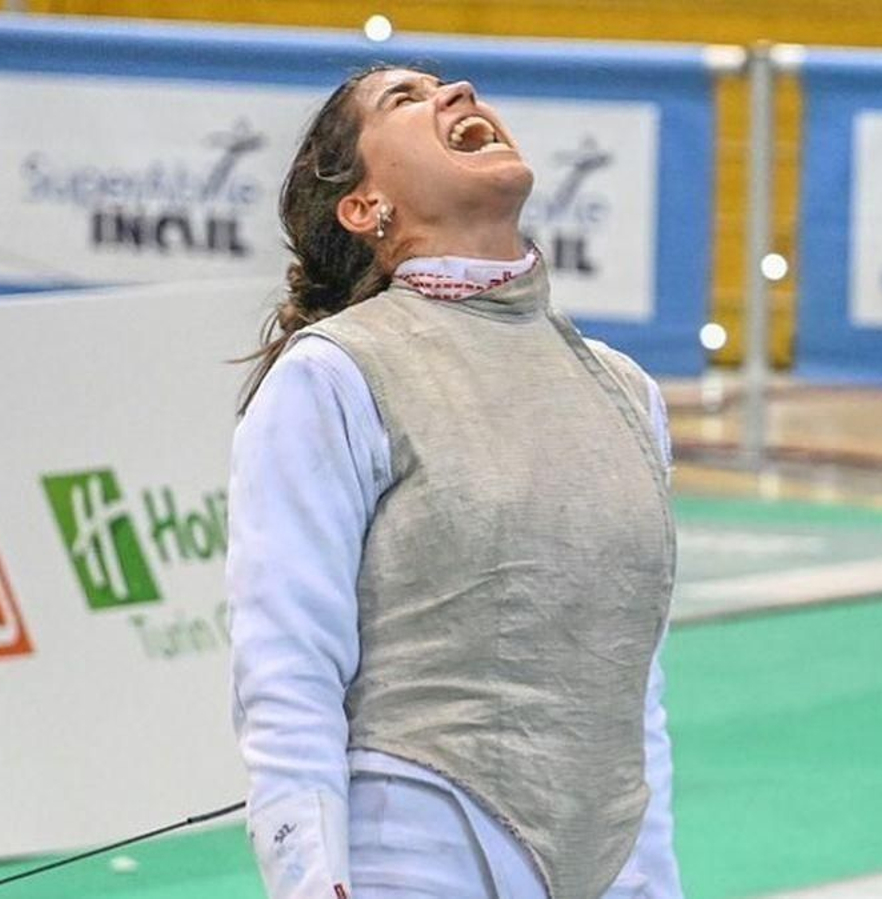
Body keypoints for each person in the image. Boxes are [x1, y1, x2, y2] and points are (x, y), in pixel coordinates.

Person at [226, 65, 681, 899]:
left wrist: (654, 877)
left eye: (446, 84)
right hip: (416, 848)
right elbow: (287, 663)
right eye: (404, 98)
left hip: (607, 858)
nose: (459, 92)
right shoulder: (334, 375)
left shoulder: (625, 392)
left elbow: (631, 691)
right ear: (365, 207)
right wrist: (308, 876)